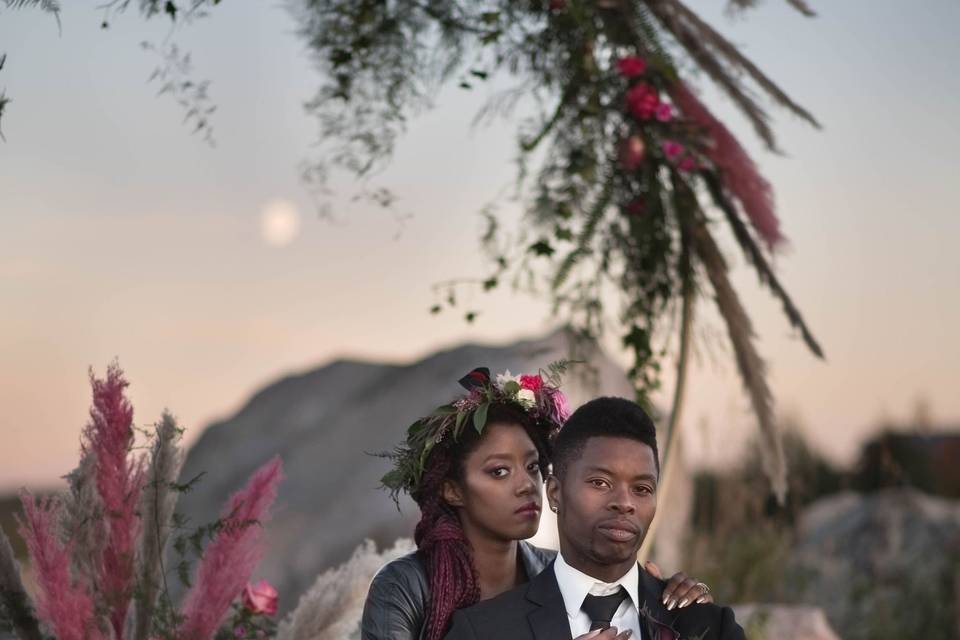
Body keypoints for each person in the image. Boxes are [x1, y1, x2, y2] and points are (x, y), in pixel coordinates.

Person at [361, 369, 713, 640]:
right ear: (452, 490)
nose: (526, 485)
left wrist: (666, 600)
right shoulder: (404, 588)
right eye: (499, 471)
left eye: (532, 467)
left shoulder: (560, 574)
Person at [444, 396, 744, 640]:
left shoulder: (708, 625)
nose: (624, 503)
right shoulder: (483, 630)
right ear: (554, 493)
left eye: (642, 488)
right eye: (600, 483)